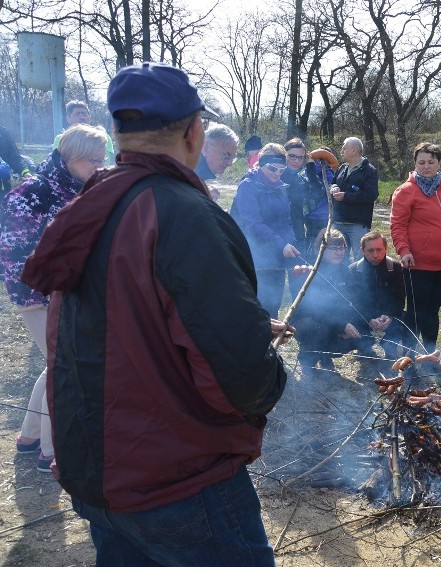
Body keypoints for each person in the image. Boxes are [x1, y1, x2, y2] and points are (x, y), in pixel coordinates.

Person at [19, 62, 287, 565]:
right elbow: (239, 374)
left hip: (102, 474)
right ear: (193, 132)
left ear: (119, 134)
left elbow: (127, 323)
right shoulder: (183, 214)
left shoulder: (93, 202)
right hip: (177, 480)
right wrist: (267, 371)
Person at [1, 124, 108, 474]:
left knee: (54, 363)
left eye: (101, 157)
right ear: (71, 156)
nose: (99, 164)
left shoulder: (77, 187)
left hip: (65, 292)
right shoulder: (36, 190)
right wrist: (44, 289)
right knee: (62, 365)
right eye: (92, 159)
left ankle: (30, 437)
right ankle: (52, 449)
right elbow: (12, 251)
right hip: (36, 294)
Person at [390, 142, 441, 353]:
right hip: (417, 264)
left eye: (431, 162)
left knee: (433, 311)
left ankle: (430, 355)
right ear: (414, 163)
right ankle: (408, 356)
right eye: (421, 162)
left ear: (439, 163)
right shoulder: (406, 191)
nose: (426, 166)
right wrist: (404, 250)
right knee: (416, 312)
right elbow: (398, 225)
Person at [230, 143, 301, 317]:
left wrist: (290, 243)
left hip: (276, 255)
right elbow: (253, 224)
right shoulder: (248, 186)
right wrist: (281, 244)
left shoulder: (281, 188)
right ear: (261, 164)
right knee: (256, 306)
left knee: (273, 304)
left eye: (281, 170)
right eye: (272, 169)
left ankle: (270, 342)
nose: (277, 174)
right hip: (255, 256)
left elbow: (286, 221)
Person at [290, 228, 367, 375]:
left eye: (342, 247)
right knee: (319, 328)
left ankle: (325, 356)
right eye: (333, 248)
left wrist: (350, 324)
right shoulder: (310, 270)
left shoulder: (345, 272)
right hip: (307, 321)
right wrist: (341, 325)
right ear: (322, 249)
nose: (339, 252)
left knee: (360, 331)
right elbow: (314, 310)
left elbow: (353, 303)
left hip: (334, 320)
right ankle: (308, 361)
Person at [348, 231, 407, 359]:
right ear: (362, 250)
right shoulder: (354, 270)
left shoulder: (396, 268)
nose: (375, 255)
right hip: (364, 314)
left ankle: (389, 346)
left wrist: (389, 315)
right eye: (370, 250)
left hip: (387, 314)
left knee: (405, 320)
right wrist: (369, 319)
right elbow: (355, 301)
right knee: (352, 320)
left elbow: (399, 298)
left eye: (379, 250)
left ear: (386, 248)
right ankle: (364, 346)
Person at [330, 136, 378, 260]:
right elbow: (333, 182)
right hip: (338, 222)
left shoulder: (369, 171)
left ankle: (359, 279)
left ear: (354, 150)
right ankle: (340, 280)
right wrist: (334, 187)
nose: (341, 151)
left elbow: (371, 194)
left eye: (344, 148)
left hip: (357, 224)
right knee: (338, 258)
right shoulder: (342, 168)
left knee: (360, 258)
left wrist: (346, 196)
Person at [279, 138, 326, 253]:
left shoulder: (302, 176)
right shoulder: (276, 173)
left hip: (297, 228)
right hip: (277, 229)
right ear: (284, 155)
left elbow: (318, 193)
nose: (296, 161)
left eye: (301, 157)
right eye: (292, 156)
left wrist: (310, 166)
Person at [52, 100, 117, 165]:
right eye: (77, 114)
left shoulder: (103, 137)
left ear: (90, 118)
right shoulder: (61, 138)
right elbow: (58, 163)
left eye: (84, 114)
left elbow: (104, 164)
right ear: (68, 118)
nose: (82, 117)